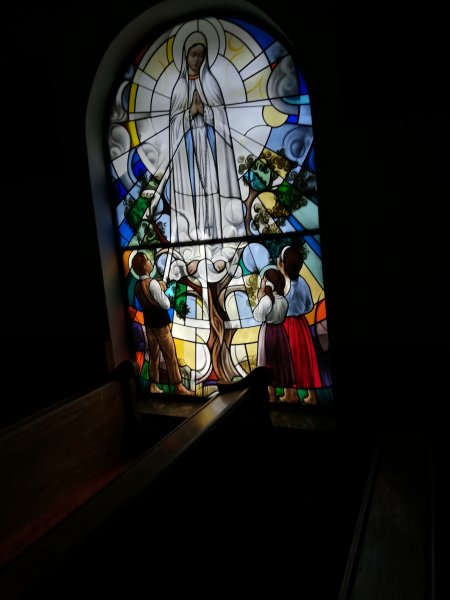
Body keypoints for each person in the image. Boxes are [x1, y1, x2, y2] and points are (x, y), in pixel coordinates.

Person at [167, 30, 245, 279]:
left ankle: (218, 250)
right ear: (185, 55)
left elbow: (222, 121)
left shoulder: (211, 84)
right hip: (188, 156)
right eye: (193, 54)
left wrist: (207, 113)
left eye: (201, 55)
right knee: (191, 199)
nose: (197, 60)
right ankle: (191, 252)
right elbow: (173, 128)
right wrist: (189, 114)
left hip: (211, 153)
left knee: (213, 195)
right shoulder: (179, 88)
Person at [131, 251, 193, 396]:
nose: (150, 262)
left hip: (149, 325)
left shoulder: (138, 286)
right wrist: (162, 290)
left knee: (154, 355)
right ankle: (178, 387)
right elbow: (165, 304)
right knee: (170, 354)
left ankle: (153, 385)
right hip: (161, 325)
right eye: (148, 260)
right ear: (144, 266)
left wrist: (158, 286)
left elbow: (146, 298)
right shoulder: (152, 284)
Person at [277, 245, 322, 405]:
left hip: (286, 325)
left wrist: (281, 273)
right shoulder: (302, 282)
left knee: (288, 360)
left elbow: (280, 303)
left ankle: (291, 395)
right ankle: (312, 396)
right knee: (304, 360)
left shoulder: (283, 283)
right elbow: (309, 305)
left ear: (284, 264)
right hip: (301, 326)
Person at [253, 268, 295, 403]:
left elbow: (258, 316)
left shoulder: (266, 300)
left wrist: (260, 295)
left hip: (268, 333)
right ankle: (288, 395)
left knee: (269, 363)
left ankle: (271, 395)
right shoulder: (283, 300)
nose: (262, 282)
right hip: (281, 333)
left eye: (264, 280)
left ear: (268, 283)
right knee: (281, 362)